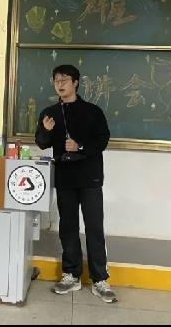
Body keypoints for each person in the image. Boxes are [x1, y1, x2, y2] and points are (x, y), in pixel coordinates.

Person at [35, 64, 117, 303]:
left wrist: (79, 146)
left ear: (75, 83)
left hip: (90, 177)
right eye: (56, 80)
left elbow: (103, 139)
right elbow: (41, 142)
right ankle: (71, 275)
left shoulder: (92, 111)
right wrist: (45, 130)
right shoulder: (49, 113)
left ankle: (100, 279)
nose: (60, 84)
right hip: (65, 178)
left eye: (64, 80)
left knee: (94, 227)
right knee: (68, 227)